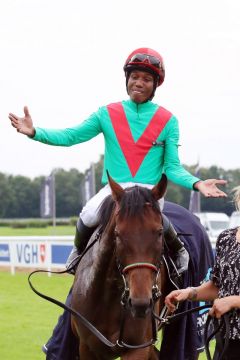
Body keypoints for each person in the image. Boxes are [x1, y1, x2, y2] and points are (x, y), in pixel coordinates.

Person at [9, 47, 227, 276]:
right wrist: (35, 132)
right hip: (116, 191)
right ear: (127, 79)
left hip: (148, 193)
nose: (139, 83)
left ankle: (179, 252)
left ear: (155, 85)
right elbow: (71, 136)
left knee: (155, 221)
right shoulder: (106, 113)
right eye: (134, 77)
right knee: (88, 214)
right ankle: (77, 253)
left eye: (146, 79)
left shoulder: (168, 120)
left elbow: (172, 167)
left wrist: (197, 183)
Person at [165, 186, 240, 360]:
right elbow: (217, 285)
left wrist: (234, 301)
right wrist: (189, 293)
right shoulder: (226, 238)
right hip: (225, 337)